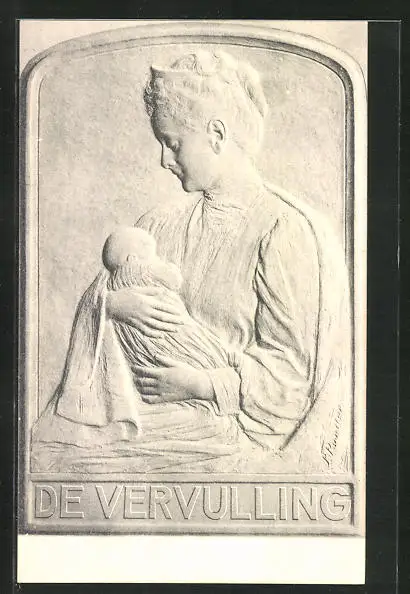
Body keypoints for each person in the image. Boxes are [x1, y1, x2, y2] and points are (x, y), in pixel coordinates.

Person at [31, 50, 352, 474]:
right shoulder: (157, 226)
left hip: (231, 430)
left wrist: (199, 385)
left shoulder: (282, 230)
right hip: (144, 411)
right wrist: (109, 306)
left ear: (217, 134)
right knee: (44, 447)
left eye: (173, 143)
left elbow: (291, 383)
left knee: (60, 458)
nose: (164, 159)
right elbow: (108, 300)